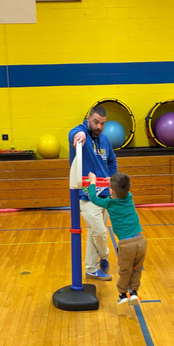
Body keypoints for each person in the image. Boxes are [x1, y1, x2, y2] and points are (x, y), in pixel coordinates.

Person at [68, 105, 118, 280]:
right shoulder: (81, 135)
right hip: (86, 195)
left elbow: (112, 161)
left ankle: (91, 269)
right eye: (96, 122)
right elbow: (72, 133)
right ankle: (104, 256)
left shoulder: (104, 140)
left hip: (105, 195)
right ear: (88, 118)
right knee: (100, 232)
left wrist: (112, 180)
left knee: (93, 234)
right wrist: (80, 132)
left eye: (102, 123)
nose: (99, 127)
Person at [87, 171, 147, 305]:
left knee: (125, 270)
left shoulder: (109, 203)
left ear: (112, 191)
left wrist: (92, 182)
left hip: (126, 245)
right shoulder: (129, 197)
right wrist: (113, 182)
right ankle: (134, 293)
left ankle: (122, 294)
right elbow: (123, 188)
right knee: (137, 268)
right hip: (141, 241)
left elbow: (93, 198)